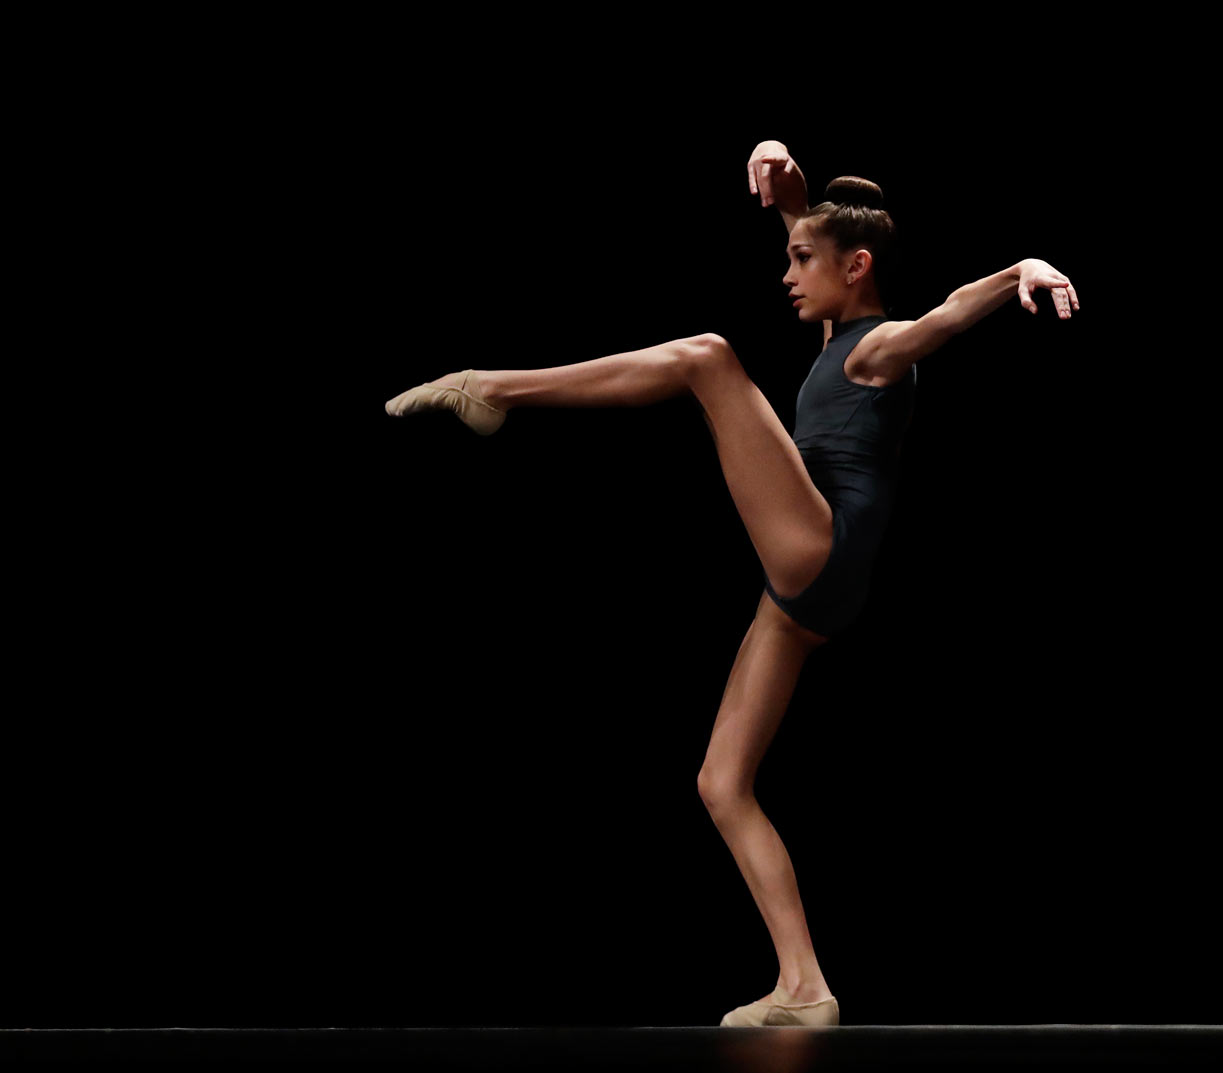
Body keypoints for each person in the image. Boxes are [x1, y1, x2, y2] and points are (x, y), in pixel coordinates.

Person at [384, 140, 1080, 1027]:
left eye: (801, 262)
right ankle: (804, 985)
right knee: (722, 782)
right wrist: (789, 188)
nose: (787, 274)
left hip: (819, 548)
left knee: (709, 358)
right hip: (805, 595)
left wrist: (1020, 266)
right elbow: (813, 230)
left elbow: (942, 315)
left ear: (855, 269)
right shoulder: (837, 327)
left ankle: (493, 389)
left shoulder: (881, 346)